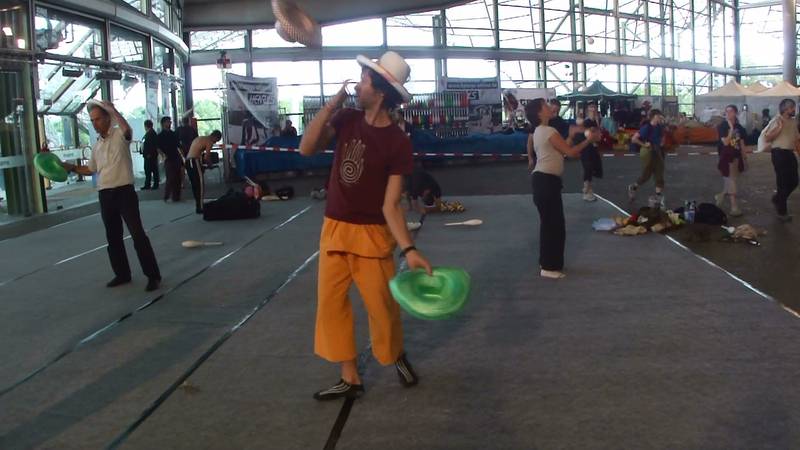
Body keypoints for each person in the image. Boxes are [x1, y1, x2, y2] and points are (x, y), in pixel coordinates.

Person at [299, 51, 432, 401]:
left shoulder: (398, 143)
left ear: (380, 90)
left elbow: (391, 205)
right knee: (331, 306)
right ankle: (350, 377)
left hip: (372, 235)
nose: (357, 85)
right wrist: (330, 106)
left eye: (363, 79)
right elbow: (306, 148)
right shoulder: (346, 118)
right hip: (335, 227)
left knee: (382, 308)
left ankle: (395, 354)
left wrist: (410, 249)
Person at [62, 101, 161, 291]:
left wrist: (112, 109)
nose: (95, 124)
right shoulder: (96, 146)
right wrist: (72, 167)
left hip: (124, 192)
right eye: (92, 120)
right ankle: (122, 274)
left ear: (108, 118)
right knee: (113, 237)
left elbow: (128, 130)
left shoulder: (120, 135)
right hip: (105, 194)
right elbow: (91, 169)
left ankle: (152, 275)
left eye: (98, 119)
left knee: (137, 235)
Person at [526, 98, 600, 280]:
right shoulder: (548, 131)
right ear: (539, 113)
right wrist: (589, 140)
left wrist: (572, 137)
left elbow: (560, 150)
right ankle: (549, 267)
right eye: (546, 106)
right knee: (554, 226)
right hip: (546, 182)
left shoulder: (540, 131)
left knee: (549, 225)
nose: (550, 108)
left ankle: (547, 263)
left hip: (543, 181)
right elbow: (571, 153)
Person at [764, 98, 800, 222]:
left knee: (794, 181)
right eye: (792, 107)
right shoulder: (776, 120)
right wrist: (779, 128)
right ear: (785, 108)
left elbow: (796, 139)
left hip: (789, 153)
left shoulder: (794, 122)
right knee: (783, 183)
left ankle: (777, 199)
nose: (794, 110)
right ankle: (782, 212)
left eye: (794, 107)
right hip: (779, 153)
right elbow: (768, 138)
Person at [627, 109, 667, 205]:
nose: (660, 117)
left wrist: (662, 142)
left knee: (659, 173)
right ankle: (633, 187)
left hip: (657, 151)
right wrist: (644, 145)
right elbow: (634, 139)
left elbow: (662, 137)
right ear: (654, 117)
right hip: (648, 152)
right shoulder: (647, 127)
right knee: (646, 175)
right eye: (658, 116)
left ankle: (658, 195)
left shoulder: (659, 127)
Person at [715, 105, 748, 217]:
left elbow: (742, 143)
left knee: (730, 179)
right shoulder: (722, 126)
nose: (728, 114)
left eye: (730, 111)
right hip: (726, 157)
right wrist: (731, 130)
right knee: (731, 179)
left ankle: (721, 195)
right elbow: (725, 142)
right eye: (726, 111)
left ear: (736, 113)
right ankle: (734, 207)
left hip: (736, 157)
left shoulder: (740, 127)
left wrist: (745, 157)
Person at [185, 130, 222, 214]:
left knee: (195, 185)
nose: (215, 142)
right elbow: (206, 157)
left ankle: (198, 205)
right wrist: (210, 165)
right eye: (216, 140)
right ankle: (200, 207)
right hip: (194, 161)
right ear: (214, 137)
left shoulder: (201, 138)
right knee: (200, 185)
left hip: (188, 162)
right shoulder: (209, 141)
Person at [576, 102, 603, 202]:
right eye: (591, 108)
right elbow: (590, 136)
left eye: (595, 108)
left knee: (591, 170)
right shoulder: (586, 122)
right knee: (588, 169)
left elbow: (598, 136)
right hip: (586, 149)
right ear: (587, 110)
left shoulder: (595, 122)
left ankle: (589, 191)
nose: (593, 110)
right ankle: (586, 191)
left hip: (593, 149)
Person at [157, 116, 182, 202]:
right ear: (163, 123)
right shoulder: (160, 136)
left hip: (176, 157)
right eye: (168, 122)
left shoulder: (173, 134)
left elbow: (179, 146)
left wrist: (182, 156)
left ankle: (176, 196)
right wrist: (163, 155)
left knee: (178, 177)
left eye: (170, 122)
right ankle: (167, 195)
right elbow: (158, 147)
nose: (170, 123)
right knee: (170, 177)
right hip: (168, 158)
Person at [141, 119, 159, 190]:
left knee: (151, 169)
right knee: (149, 170)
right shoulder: (150, 133)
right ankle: (149, 184)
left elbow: (152, 145)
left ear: (146, 126)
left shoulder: (151, 134)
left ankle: (152, 184)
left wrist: (149, 153)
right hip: (149, 155)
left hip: (150, 155)